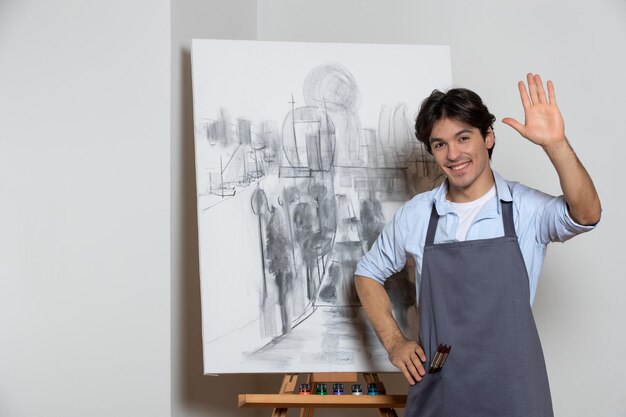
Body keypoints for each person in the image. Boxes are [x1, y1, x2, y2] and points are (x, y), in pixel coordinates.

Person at [354, 73, 601, 417]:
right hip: (442, 390)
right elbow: (366, 274)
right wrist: (395, 343)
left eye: (463, 137)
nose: (453, 154)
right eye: (440, 144)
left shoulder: (524, 208)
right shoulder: (417, 214)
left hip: (514, 391)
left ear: (488, 137)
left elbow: (587, 214)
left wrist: (555, 144)